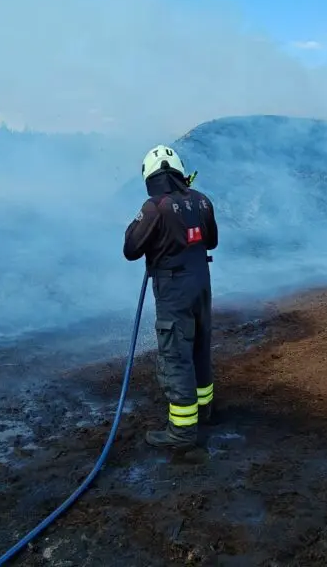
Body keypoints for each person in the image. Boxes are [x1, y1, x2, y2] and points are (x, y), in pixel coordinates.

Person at [123, 144, 219, 450]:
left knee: (176, 356)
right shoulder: (202, 201)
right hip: (201, 286)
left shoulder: (155, 207)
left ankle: (181, 432)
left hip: (174, 291)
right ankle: (205, 410)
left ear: (150, 176)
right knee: (200, 349)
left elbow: (130, 249)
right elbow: (212, 242)